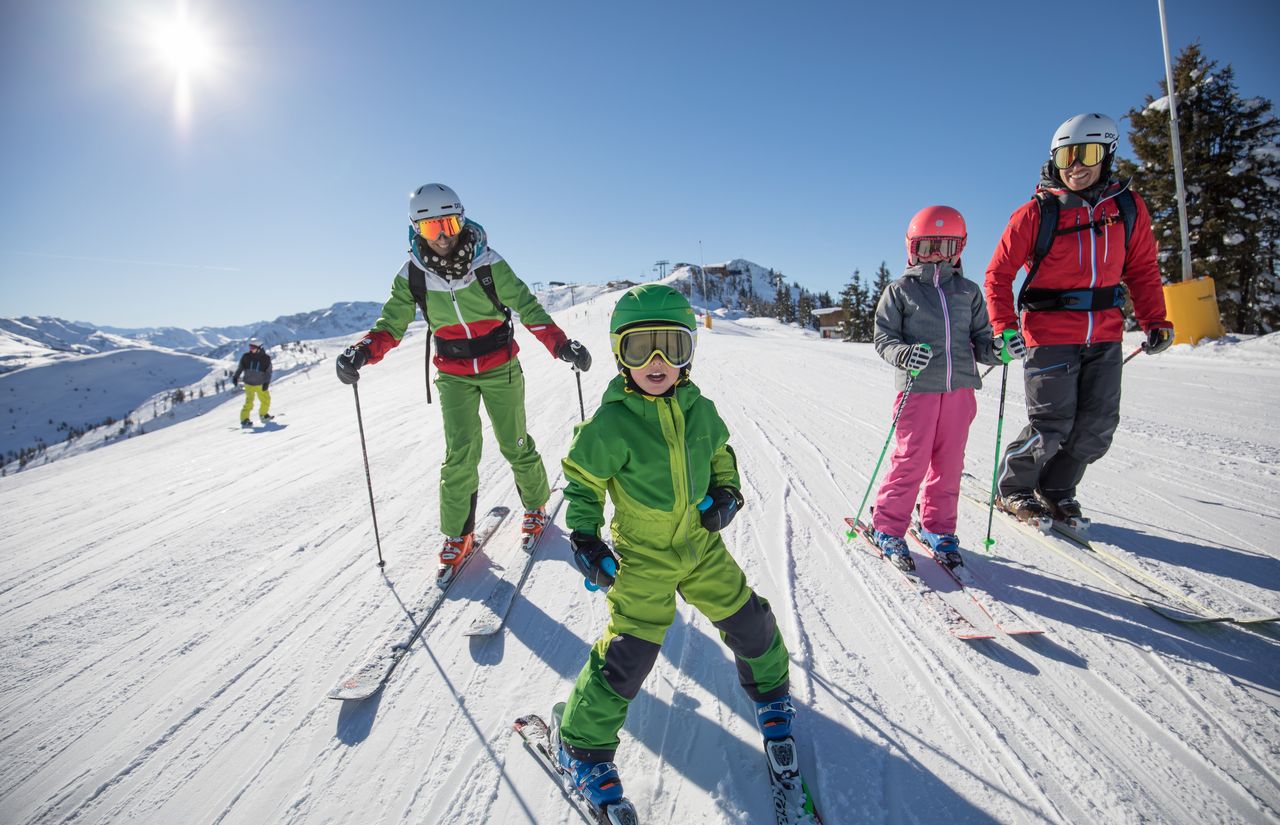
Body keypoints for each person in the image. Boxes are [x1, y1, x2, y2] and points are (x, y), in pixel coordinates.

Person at [554, 284, 794, 810]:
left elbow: (721, 454)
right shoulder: (612, 423)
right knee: (628, 655)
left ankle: (774, 698)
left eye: (672, 347)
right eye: (642, 349)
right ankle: (582, 745)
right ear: (621, 354)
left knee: (751, 622)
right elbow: (583, 483)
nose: (657, 361)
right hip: (642, 559)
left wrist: (726, 493)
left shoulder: (699, 408)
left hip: (699, 547)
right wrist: (586, 535)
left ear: (689, 353)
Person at [334, 183, 591, 583]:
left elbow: (527, 305)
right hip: (453, 373)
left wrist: (561, 345)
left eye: (449, 224)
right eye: (431, 229)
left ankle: (536, 507)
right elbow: (390, 325)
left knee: (515, 442)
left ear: (463, 219)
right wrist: (363, 351)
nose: (443, 237)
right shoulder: (413, 276)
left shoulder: (487, 264)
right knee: (459, 453)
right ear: (416, 231)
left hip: (500, 365)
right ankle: (458, 534)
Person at [985, 113, 1174, 527]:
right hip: (1049, 333)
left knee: (1097, 425)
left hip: (1105, 332)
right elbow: (998, 274)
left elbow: (1142, 268)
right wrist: (1004, 327)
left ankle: (1056, 490)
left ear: (1107, 154)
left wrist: (1155, 319)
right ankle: (1014, 489)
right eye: (1066, 155)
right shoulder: (1037, 212)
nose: (1076, 165)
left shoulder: (1127, 207)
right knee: (1052, 423)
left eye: (1086, 153)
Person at [869, 206, 1002, 570]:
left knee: (949, 463)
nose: (937, 255)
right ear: (912, 248)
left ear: (960, 248)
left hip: (960, 390)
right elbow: (883, 338)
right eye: (928, 246)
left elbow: (983, 342)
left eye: (946, 246)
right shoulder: (900, 291)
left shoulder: (969, 292)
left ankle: (937, 527)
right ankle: (887, 526)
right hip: (918, 390)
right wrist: (904, 353)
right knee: (911, 460)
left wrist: (1001, 350)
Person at [232, 339, 273, 427]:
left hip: (260, 384)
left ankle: (263, 415)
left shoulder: (266, 359)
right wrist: (236, 377)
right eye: (250, 347)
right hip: (249, 384)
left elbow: (268, 372)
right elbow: (240, 368)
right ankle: (244, 419)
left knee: (266, 400)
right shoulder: (246, 356)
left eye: (253, 348)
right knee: (249, 402)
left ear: (259, 348)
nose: (251, 350)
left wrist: (266, 383)